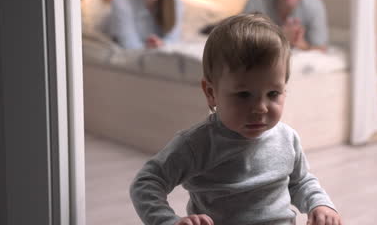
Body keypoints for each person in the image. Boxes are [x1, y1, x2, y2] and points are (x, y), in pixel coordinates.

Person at [130, 13, 342, 225]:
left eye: (273, 94)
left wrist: (319, 203)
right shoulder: (197, 144)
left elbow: (300, 181)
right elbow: (146, 183)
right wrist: (169, 221)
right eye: (243, 95)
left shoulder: (287, 138)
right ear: (211, 92)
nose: (260, 108)